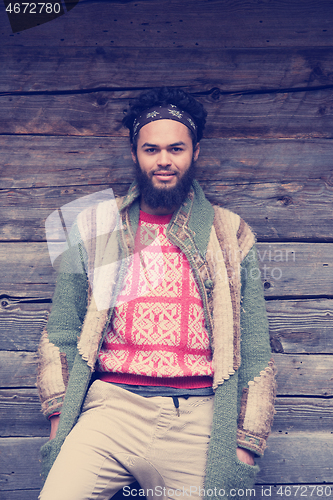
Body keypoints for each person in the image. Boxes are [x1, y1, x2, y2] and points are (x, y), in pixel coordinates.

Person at [37, 87, 276, 500]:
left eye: (175, 149)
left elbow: (254, 346)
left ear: (195, 152)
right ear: (135, 154)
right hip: (109, 409)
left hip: (198, 418)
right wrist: (61, 420)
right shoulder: (96, 225)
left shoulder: (230, 232)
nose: (164, 160)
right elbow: (61, 327)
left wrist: (245, 445)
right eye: (151, 149)